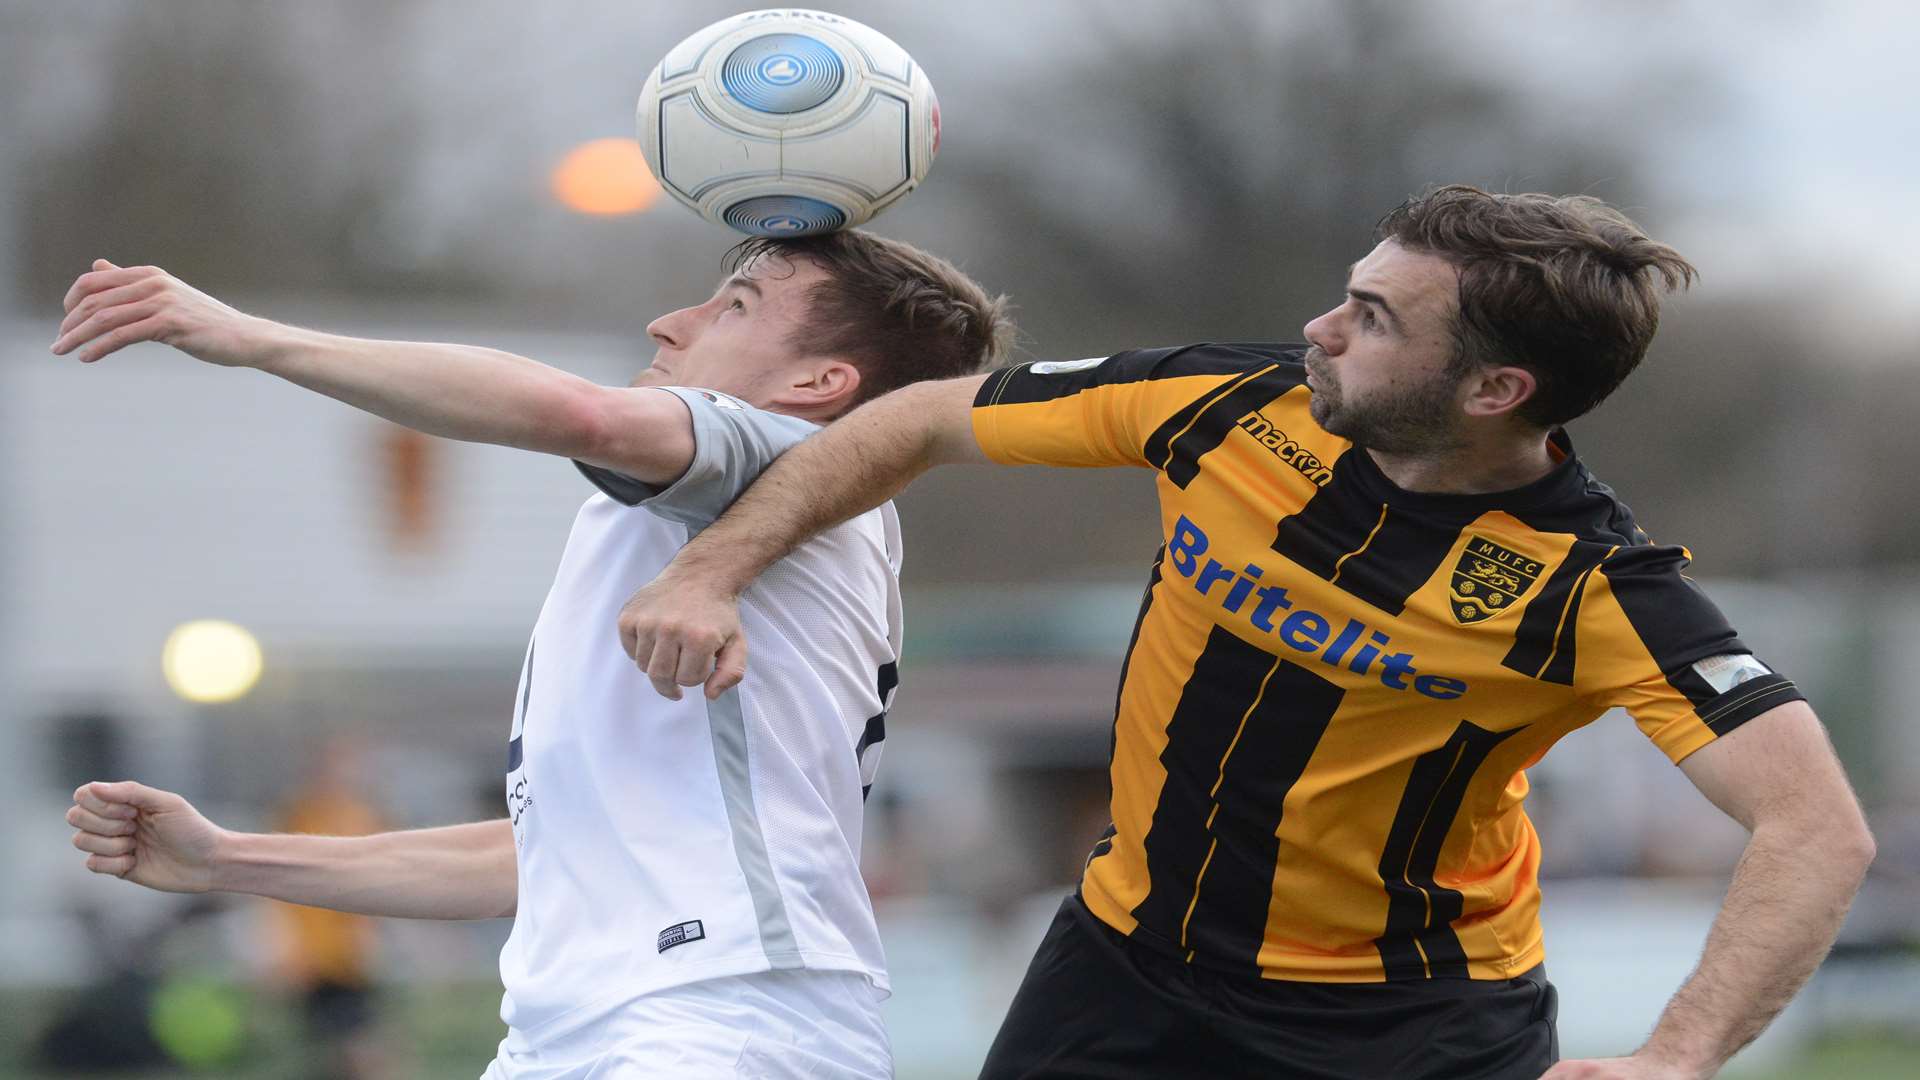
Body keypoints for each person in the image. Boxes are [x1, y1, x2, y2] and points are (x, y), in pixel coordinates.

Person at [614, 186, 1877, 1080]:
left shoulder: (1595, 590)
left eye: (1378, 321)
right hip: (1123, 964)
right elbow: (928, 416)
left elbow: (1815, 825)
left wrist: (1676, 1056)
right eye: (1349, 295)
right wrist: (715, 570)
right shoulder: (1232, 401)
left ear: (1497, 392)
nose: (1324, 329)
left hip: (1412, 1026)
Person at [57, 229, 1014, 1078]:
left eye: (734, 306)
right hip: (580, 1025)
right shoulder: (679, 516)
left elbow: (582, 416)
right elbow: (537, 857)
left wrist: (253, 337)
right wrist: (229, 859)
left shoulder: (780, 451)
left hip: (728, 1010)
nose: (668, 321)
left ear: (817, 385)